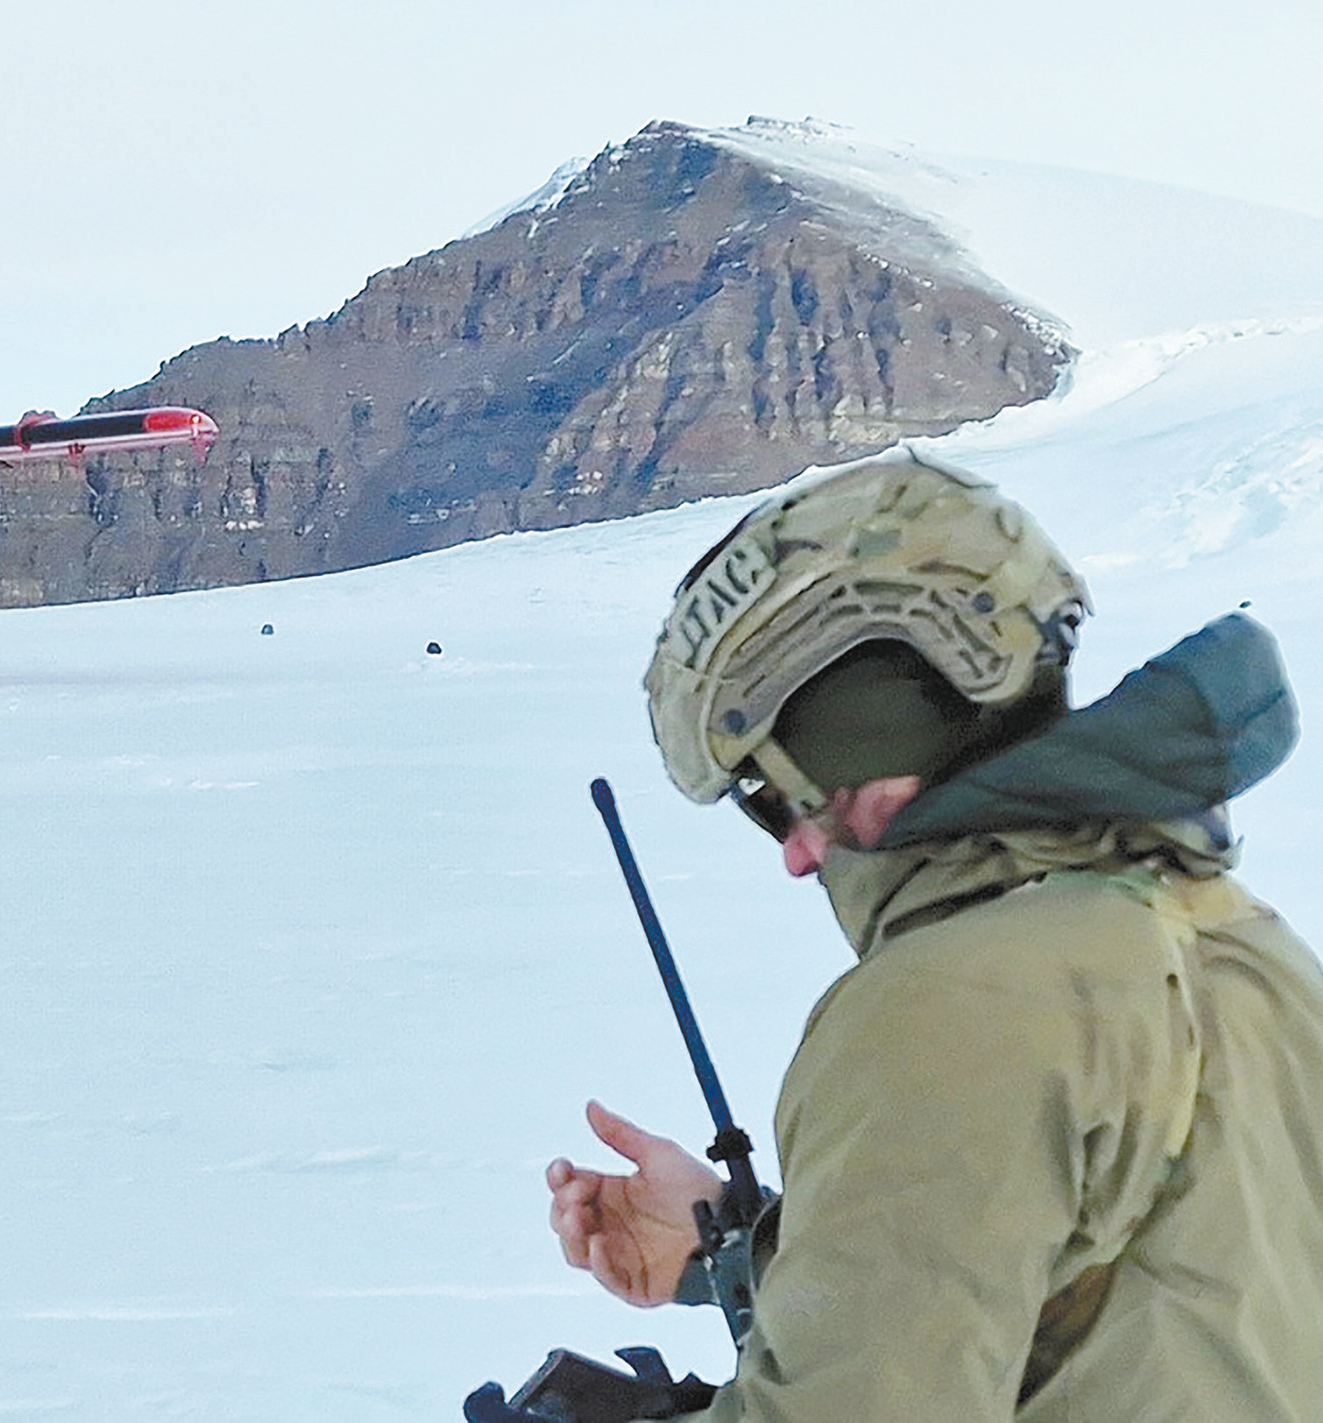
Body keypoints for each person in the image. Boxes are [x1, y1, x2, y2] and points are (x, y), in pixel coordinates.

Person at [546, 448, 1323, 1417]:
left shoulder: (951, 1004)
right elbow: (1133, 1306)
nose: (791, 855)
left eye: (773, 797)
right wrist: (735, 1249)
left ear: (862, 735)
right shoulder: (1240, 944)